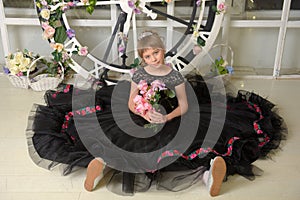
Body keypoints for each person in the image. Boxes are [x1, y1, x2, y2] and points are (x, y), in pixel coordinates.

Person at [26, 30, 286, 197]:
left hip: (173, 115)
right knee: (123, 136)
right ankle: (103, 164)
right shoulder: (138, 74)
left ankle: (211, 171)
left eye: (157, 53)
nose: (153, 58)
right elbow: (130, 101)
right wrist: (143, 109)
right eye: (148, 55)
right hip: (139, 115)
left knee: (191, 139)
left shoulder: (173, 75)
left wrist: (166, 117)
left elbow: (184, 105)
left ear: (163, 51)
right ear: (142, 58)